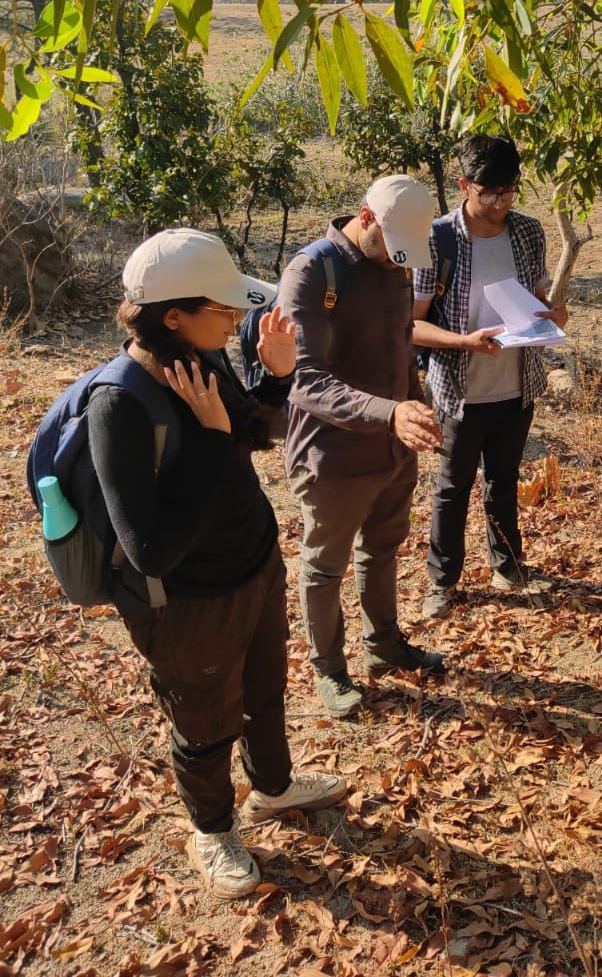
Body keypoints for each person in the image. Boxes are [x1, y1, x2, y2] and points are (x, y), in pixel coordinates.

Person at [88, 228, 346, 900]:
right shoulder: (120, 403)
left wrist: (277, 375)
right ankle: (212, 829)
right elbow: (149, 549)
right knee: (204, 721)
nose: (236, 319)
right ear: (174, 315)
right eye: (224, 309)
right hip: (189, 599)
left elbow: (250, 432)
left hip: (253, 563)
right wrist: (209, 440)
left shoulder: (202, 355)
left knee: (264, 691)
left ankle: (273, 787)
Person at [277, 175, 445, 719]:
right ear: (366, 217)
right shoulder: (313, 271)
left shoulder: (398, 267)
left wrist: (415, 406)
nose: (398, 263)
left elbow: (401, 346)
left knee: (382, 548)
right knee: (325, 567)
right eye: (393, 249)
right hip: (333, 456)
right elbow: (306, 379)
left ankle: (384, 645)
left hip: (393, 447)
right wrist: (390, 413)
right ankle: (329, 668)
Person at [412, 136, 567, 620]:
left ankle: (508, 566)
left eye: (508, 191)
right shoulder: (437, 239)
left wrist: (553, 314)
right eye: (489, 193)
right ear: (464, 186)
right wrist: (464, 341)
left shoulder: (526, 231)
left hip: (517, 382)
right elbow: (411, 323)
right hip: (460, 388)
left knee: (503, 479)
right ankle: (443, 581)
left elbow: (537, 296)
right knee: (452, 486)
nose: (500, 203)